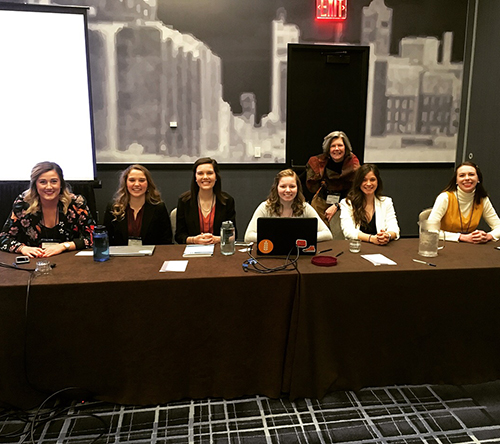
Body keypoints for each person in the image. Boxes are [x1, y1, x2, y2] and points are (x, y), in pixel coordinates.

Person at [0, 161, 94, 257]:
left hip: (70, 261)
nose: (49, 187)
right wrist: (22, 248)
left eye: (54, 181)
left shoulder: (76, 203)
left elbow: (94, 237)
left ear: (61, 184)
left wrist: (64, 246)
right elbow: (4, 238)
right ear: (35, 185)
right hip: (35, 261)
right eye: (42, 182)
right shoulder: (23, 204)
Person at [244, 169, 332, 243]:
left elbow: (327, 234)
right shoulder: (265, 207)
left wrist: (300, 238)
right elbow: (248, 236)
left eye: (292, 186)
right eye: (283, 186)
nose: (288, 190)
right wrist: (278, 238)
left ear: (297, 188)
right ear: (276, 188)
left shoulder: (305, 207)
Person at [305, 130, 360, 238]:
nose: (336, 149)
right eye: (333, 146)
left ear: (346, 147)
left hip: (344, 204)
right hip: (320, 202)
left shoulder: (354, 166)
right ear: (328, 148)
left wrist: (337, 206)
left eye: (340, 145)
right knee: (317, 236)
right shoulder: (318, 162)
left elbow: (356, 192)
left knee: (338, 237)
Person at [428, 161, 500, 243]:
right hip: (445, 245)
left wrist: (488, 236)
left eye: (471, 174)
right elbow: (430, 230)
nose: (467, 178)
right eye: (462, 175)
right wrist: (462, 237)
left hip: (471, 247)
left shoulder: (482, 199)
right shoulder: (445, 198)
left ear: (478, 179)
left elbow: (498, 226)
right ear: (456, 180)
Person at [103, 164, 172, 246]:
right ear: (125, 183)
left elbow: (166, 241)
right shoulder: (114, 208)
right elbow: (106, 239)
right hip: (121, 257)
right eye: (132, 180)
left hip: (152, 256)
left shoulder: (158, 208)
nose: (136, 184)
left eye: (142, 180)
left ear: (148, 184)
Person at [175, 157, 236, 244]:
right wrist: (194, 240)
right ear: (195, 178)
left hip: (218, 250)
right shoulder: (184, 201)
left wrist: (216, 239)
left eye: (209, 173)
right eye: (200, 173)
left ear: (216, 177)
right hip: (193, 251)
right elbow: (179, 236)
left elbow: (232, 235)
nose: (205, 177)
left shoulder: (227, 201)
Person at [340, 164, 400, 244]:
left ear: (378, 182)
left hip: (381, 248)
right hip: (356, 249)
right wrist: (372, 239)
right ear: (359, 182)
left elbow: (394, 229)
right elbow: (348, 231)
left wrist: (387, 236)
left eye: (372, 180)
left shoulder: (386, 202)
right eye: (364, 180)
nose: (368, 184)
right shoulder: (347, 203)